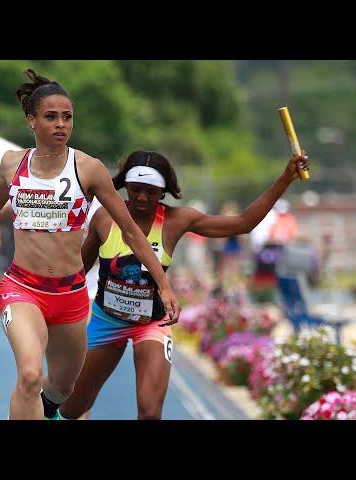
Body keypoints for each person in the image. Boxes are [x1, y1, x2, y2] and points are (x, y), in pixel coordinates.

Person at [0, 69, 181, 420]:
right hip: (23, 288)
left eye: (67, 117)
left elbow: (129, 231)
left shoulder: (88, 168)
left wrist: (164, 284)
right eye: (51, 117)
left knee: (63, 389)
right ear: (31, 120)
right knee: (30, 374)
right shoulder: (12, 163)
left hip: (70, 295)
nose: (61, 124)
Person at [59, 149, 310, 420]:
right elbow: (79, 271)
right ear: (125, 187)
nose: (142, 198)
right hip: (106, 320)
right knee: (71, 409)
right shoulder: (104, 219)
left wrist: (285, 178)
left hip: (152, 324)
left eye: (152, 192)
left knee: (150, 412)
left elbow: (243, 223)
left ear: (164, 191)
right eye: (136, 189)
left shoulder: (176, 220)